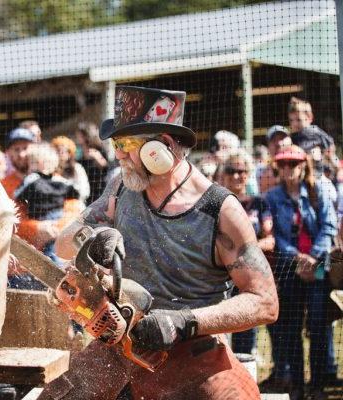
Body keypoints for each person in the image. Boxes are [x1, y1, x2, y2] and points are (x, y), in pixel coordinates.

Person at [39, 86, 278, 400]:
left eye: (126, 144)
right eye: (116, 144)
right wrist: (95, 240)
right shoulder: (121, 188)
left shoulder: (219, 211)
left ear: (161, 148)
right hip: (119, 344)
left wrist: (185, 322)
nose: (118, 154)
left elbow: (265, 302)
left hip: (193, 350)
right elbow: (64, 243)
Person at [263, 145, 338, 399]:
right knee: (290, 326)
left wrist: (314, 258)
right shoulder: (272, 197)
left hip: (318, 268)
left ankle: (317, 384)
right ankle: (297, 384)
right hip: (290, 268)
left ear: (303, 165)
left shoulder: (319, 191)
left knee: (317, 325)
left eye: (293, 164)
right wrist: (299, 258)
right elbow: (276, 237)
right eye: (283, 164)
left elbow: (328, 227)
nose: (288, 169)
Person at [222, 150, 274, 355]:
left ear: (248, 174)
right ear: (223, 174)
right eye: (231, 170)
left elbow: (270, 239)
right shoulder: (217, 202)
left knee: (245, 330)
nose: (236, 176)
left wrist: (243, 251)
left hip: (249, 275)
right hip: (220, 277)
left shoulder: (259, 203)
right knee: (221, 331)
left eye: (241, 171)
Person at [14, 143, 81, 264]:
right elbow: (75, 191)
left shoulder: (32, 177)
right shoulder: (60, 180)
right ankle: (59, 266)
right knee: (54, 247)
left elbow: (18, 193)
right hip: (58, 215)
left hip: (44, 217)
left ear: (38, 164)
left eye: (32, 163)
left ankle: (55, 268)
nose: (30, 167)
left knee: (49, 250)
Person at [74, 122, 110, 205]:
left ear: (86, 135)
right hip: (85, 186)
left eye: (79, 135)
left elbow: (106, 167)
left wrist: (97, 157)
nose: (77, 138)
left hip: (99, 187)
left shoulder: (99, 149)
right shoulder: (79, 151)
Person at [52, 136, 90, 203]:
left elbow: (85, 191)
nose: (59, 154)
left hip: (76, 205)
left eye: (62, 151)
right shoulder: (51, 169)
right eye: (57, 151)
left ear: (69, 153)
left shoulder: (77, 168)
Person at [259, 125, 292, 195]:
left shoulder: (301, 163)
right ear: (268, 145)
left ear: (290, 142)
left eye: (281, 139)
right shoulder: (260, 169)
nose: (278, 143)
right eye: (274, 140)